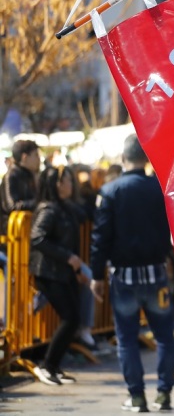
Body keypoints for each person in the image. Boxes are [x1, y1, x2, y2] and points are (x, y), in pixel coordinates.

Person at [89, 134, 174, 413]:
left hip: (124, 276)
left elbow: (100, 238)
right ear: (146, 158)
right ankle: (164, 394)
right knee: (164, 336)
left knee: (127, 339)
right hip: (157, 273)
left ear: (123, 159)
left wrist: (96, 276)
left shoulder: (111, 191)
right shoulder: (160, 188)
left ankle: (136, 396)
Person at [29, 165, 87, 386]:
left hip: (63, 272)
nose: (71, 185)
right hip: (48, 272)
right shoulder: (48, 209)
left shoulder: (64, 207)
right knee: (71, 318)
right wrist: (67, 257)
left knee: (74, 319)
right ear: (57, 184)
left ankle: (53, 366)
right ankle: (47, 366)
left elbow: (85, 214)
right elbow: (37, 237)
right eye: (67, 181)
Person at [1, 139, 41, 234]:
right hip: (13, 234)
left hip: (24, 229)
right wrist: (38, 202)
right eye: (36, 155)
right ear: (25, 157)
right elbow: (11, 206)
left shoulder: (30, 174)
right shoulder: (11, 175)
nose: (39, 158)